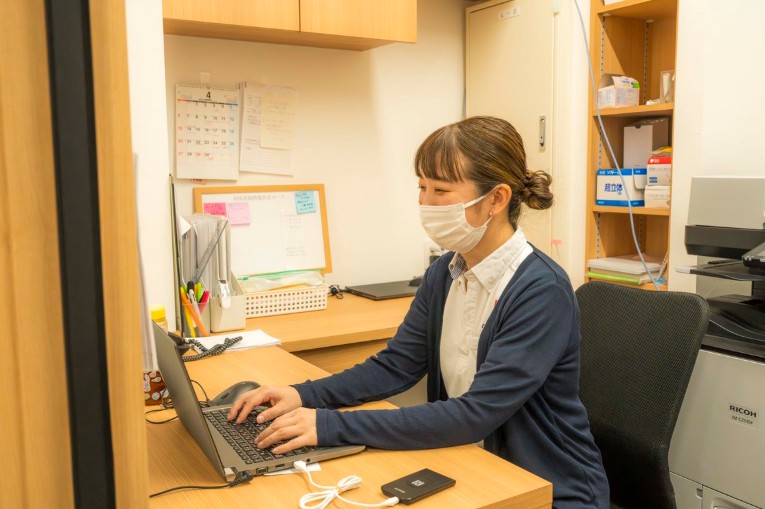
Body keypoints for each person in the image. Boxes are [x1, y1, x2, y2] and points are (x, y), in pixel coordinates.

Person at [228, 116, 609, 508]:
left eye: (440, 190)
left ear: (496, 199)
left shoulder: (541, 290)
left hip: (550, 488)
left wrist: (328, 425)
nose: (425, 203)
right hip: (469, 463)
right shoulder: (445, 272)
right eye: (421, 187)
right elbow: (395, 367)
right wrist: (302, 395)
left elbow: (475, 415)